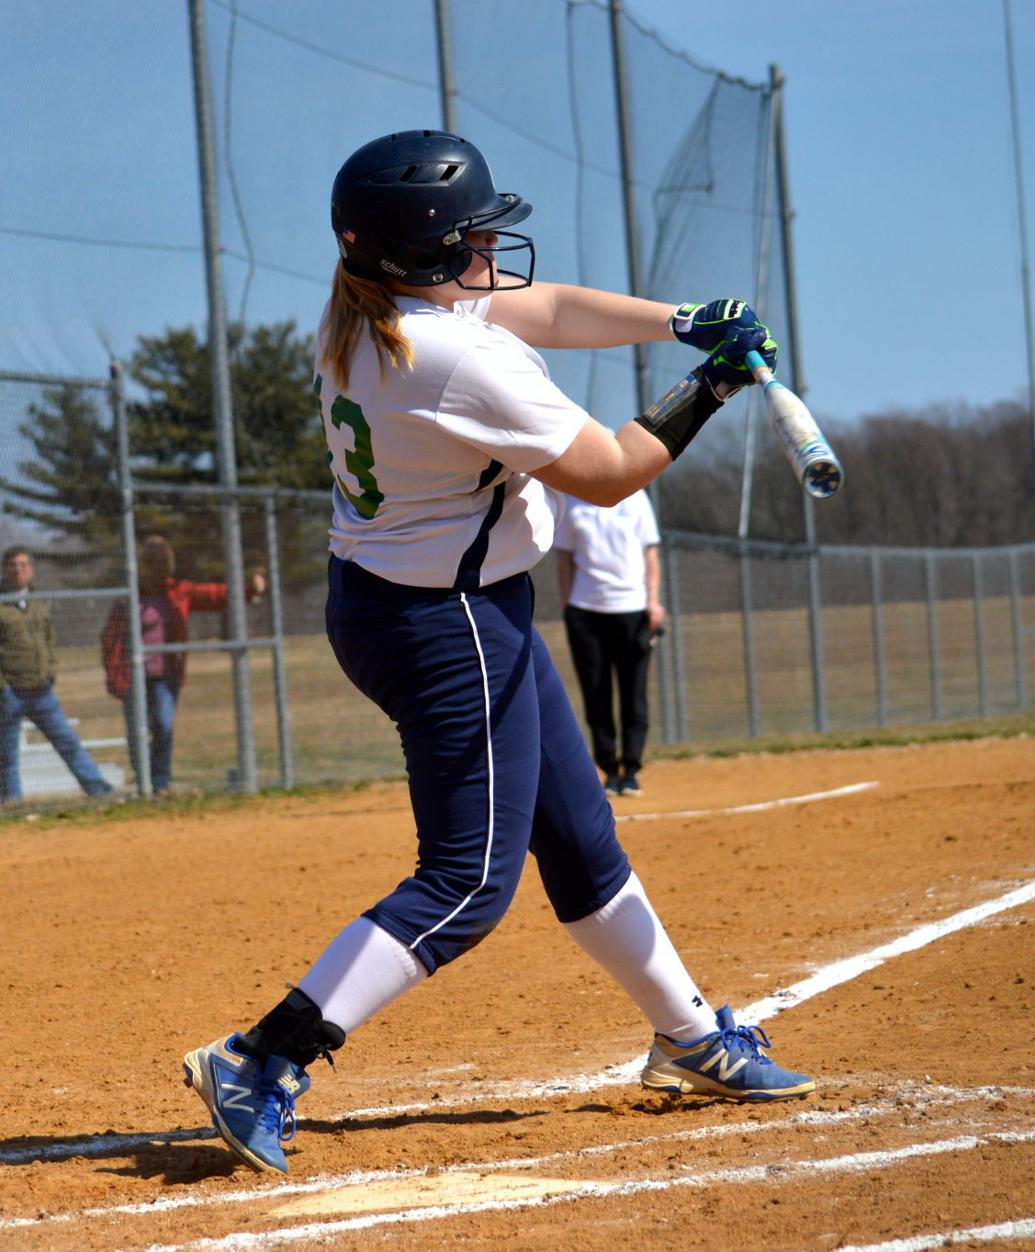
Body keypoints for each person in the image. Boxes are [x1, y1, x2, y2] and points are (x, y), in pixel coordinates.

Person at [180, 129, 813, 1177]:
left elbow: (551, 309)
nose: (493, 248)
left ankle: (689, 1035)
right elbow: (608, 472)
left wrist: (684, 321)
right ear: (426, 257)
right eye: (474, 235)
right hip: (448, 624)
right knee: (470, 880)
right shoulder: (454, 357)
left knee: (578, 838)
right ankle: (262, 1056)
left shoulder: (368, 308)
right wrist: (709, 388)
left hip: (414, 602)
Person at [100, 535, 267, 795]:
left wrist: (250, 590)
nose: (157, 567)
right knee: (137, 732)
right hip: (133, 675)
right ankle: (145, 781)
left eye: (162, 561)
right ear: (142, 564)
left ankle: (160, 783)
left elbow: (216, 595)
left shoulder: (179, 591)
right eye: (151, 561)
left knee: (163, 725)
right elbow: (110, 638)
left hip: (165, 675)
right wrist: (115, 676)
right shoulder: (129, 596)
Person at [554, 489, 664, 796]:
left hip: (632, 609)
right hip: (586, 612)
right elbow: (564, 558)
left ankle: (631, 769)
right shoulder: (573, 502)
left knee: (634, 693)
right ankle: (608, 770)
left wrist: (653, 601)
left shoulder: (637, 498)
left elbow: (650, 552)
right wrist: (567, 606)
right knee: (596, 692)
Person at [0, 545, 114, 802]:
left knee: (67, 741)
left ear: (31, 570)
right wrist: (3, 686)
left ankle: (98, 789)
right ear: (5, 570)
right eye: (13, 566)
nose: (19, 570)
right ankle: (11, 801)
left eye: (24, 565)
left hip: (41, 690)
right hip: (10, 694)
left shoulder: (38, 602)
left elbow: (50, 639)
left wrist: (50, 671)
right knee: (6, 753)